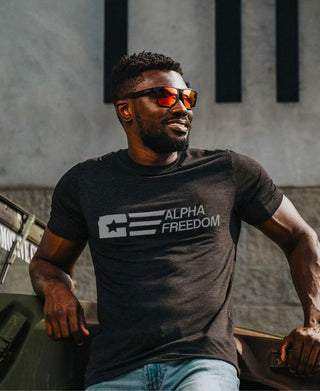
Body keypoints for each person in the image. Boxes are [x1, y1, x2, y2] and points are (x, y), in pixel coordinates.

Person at [29, 51, 320, 391]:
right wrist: (56, 289)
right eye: (165, 97)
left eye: (187, 97)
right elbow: (47, 263)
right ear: (126, 110)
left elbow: (300, 236)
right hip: (114, 371)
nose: (182, 107)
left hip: (202, 364)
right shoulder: (86, 182)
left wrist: (315, 322)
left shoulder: (228, 171)